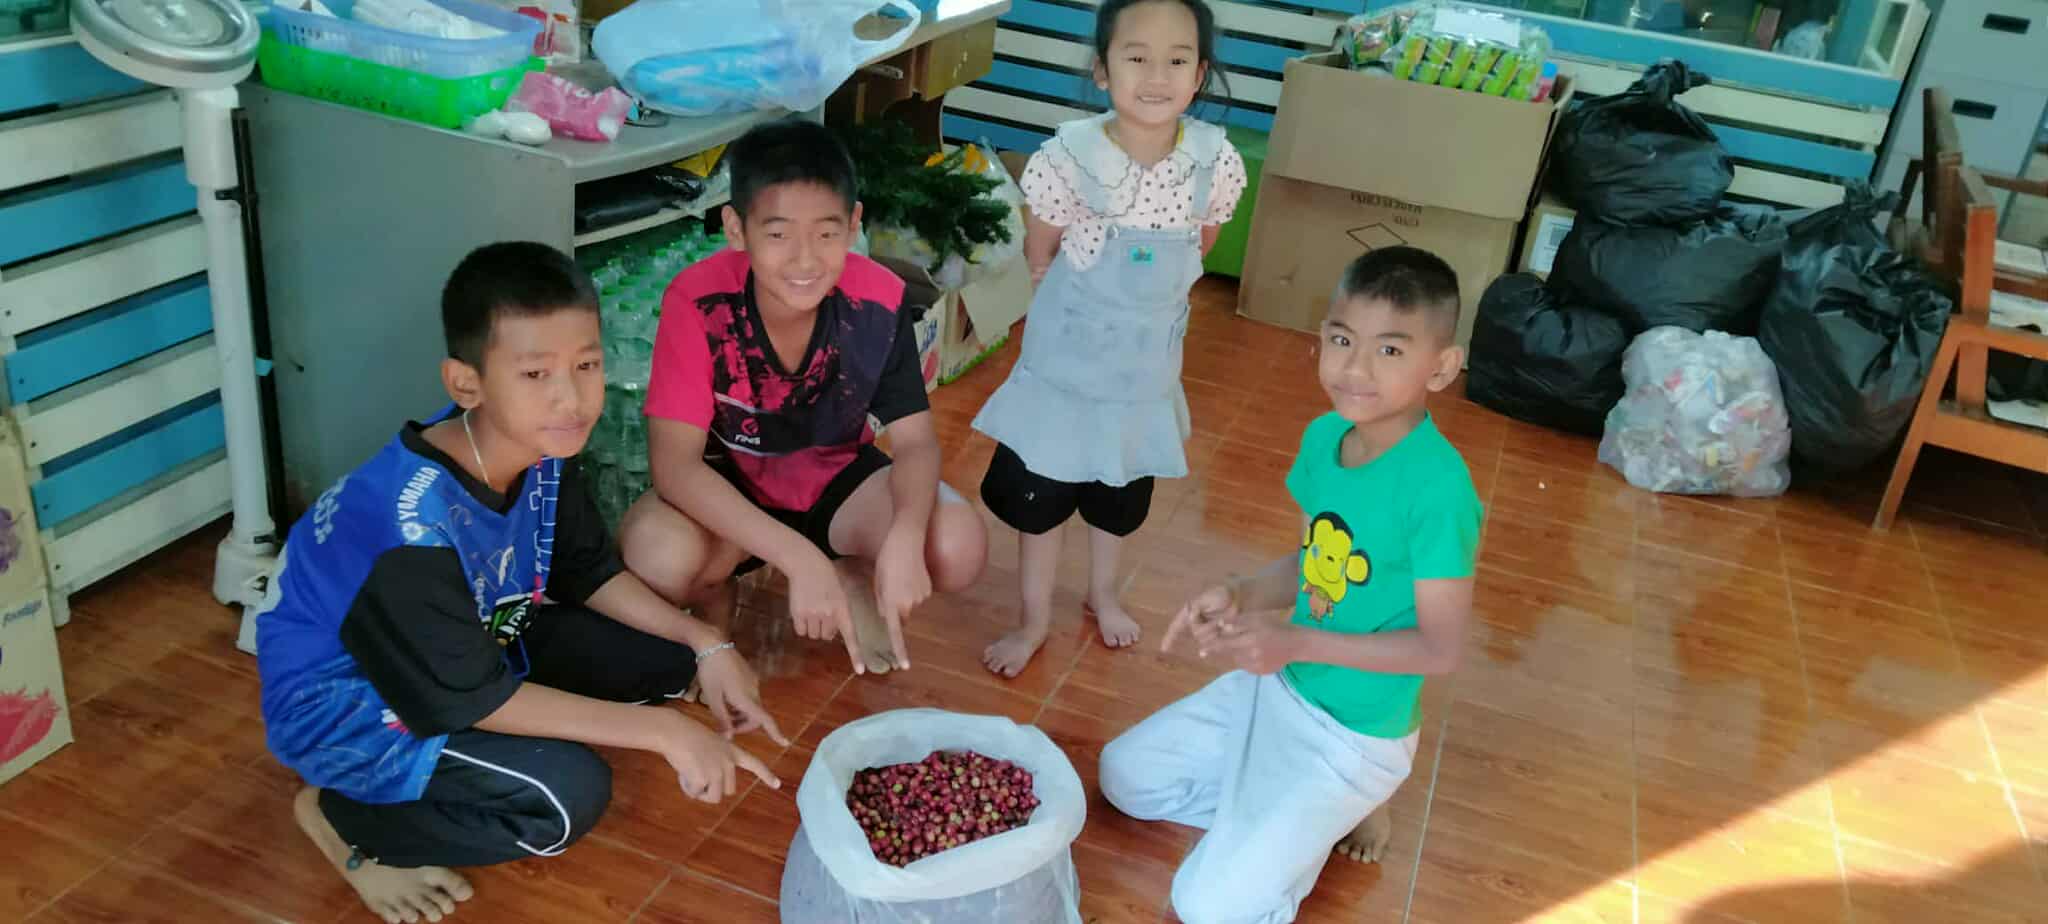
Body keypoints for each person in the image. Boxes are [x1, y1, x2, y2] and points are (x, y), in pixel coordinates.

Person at [256, 243, 785, 924]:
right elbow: (472, 698)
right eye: (535, 373)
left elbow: (586, 569)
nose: (571, 398)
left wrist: (706, 640)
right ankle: (343, 820)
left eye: (587, 365)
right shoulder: (405, 530)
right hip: (357, 705)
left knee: (672, 659)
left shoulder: (538, 447)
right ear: (466, 383)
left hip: (473, 637)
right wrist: (663, 733)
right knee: (565, 799)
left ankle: (662, 672)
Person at [1098, 247, 1485, 923]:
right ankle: (1285, 824)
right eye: (1341, 340)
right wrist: (1242, 592)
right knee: (1123, 778)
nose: (1355, 368)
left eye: (1390, 351)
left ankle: (1327, 812)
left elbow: (1440, 649)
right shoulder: (1324, 437)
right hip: (1274, 689)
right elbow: (1314, 562)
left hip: (1353, 736)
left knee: (1207, 908)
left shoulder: (1441, 492)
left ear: (1442, 367)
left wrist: (1296, 640)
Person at [619, 118, 987, 676]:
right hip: (729, 480)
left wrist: (905, 538)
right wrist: (797, 560)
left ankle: (849, 569)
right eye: (778, 234)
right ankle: (717, 602)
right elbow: (675, 467)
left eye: (826, 232)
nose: (805, 259)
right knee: (657, 555)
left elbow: (915, 441)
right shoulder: (697, 301)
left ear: (854, 225)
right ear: (736, 230)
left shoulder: (878, 301)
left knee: (955, 544)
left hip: (834, 478)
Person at [971, 0, 1249, 678]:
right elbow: (1043, 235)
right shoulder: (1069, 155)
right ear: (1102, 70)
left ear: (1200, 73)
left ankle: (1102, 593)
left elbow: (1202, 246)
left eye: (1177, 60)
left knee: (1117, 495)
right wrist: (1043, 273)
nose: (1157, 75)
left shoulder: (1215, 161)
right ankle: (1033, 617)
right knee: (1042, 499)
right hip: (1066, 374)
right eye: (1136, 56)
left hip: (1142, 380)